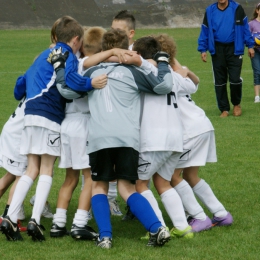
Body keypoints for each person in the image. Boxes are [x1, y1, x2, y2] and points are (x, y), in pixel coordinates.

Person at [0, 16, 107, 242]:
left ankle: (9, 216)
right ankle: (35, 221)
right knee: (46, 169)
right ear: (76, 40)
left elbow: (19, 87)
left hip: (29, 116)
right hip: (48, 116)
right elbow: (70, 82)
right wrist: (91, 83)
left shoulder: (42, 54)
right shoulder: (66, 54)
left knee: (31, 169)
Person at [133, 35, 194, 239]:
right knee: (163, 182)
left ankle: (158, 227)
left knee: (139, 184)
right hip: (176, 138)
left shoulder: (142, 71)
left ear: (139, 54)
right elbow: (192, 85)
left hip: (154, 139)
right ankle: (183, 227)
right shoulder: (170, 72)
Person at [170, 58, 233, 232]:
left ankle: (199, 216)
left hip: (190, 131)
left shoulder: (166, 77)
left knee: (171, 176)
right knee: (190, 175)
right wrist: (185, 69)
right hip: (202, 125)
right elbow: (195, 83)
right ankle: (221, 214)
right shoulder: (178, 73)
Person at [197, 0, 255, 117]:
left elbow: (245, 28)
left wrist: (250, 45)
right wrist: (203, 49)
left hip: (234, 48)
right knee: (220, 81)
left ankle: (236, 104)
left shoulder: (237, 8)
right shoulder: (210, 11)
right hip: (217, 49)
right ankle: (224, 109)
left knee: (235, 79)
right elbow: (205, 30)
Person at [249, 3, 260, 103]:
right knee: (257, 72)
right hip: (255, 52)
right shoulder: (251, 24)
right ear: (257, 10)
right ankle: (257, 96)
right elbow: (247, 37)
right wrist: (251, 46)